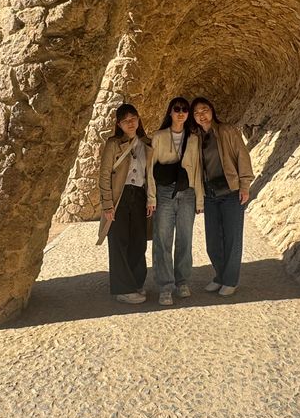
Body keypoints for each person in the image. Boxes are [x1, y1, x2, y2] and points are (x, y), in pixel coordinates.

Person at [191, 97, 253, 297]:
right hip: (209, 194)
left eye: (204, 110)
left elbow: (242, 156)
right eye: (197, 113)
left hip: (230, 191)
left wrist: (244, 185)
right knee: (213, 242)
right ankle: (220, 276)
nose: (201, 115)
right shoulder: (195, 137)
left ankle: (230, 280)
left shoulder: (227, 131)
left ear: (212, 110)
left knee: (232, 238)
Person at [146, 97, 204, 305]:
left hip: (187, 192)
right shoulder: (159, 136)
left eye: (184, 109)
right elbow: (150, 169)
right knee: (162, 239)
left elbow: (197, 169)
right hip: (164, 192)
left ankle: (182, 281)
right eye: (177, 109)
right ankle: (165, 286)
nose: (181, 113)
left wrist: (199, 200)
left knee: (185, 239)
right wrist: (151, 197)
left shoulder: (194, 139)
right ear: (170, 112)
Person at [98, 103, 152, 304]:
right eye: (125, 120)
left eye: (133, 119)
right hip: (119, 197)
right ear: (119, 124)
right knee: (119, 242)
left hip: (139, 196)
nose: (130, 123)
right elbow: (104, 175)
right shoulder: (113, 144)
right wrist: (107, 205)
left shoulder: (146, 143)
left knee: (138, 241)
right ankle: (123, 289)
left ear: (138, 120)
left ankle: (136, 283)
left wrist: (151, 198)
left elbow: (150, 175)